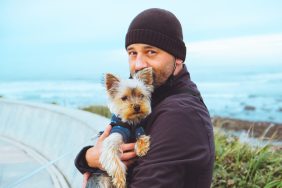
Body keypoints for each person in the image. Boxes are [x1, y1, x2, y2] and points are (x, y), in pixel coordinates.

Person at [75, 8, 215, 188]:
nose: (139, 64)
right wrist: (88, 158)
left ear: (178, 57)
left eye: (151, 52)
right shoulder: (155, 99)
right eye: (133, 53)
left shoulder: (180, 113)